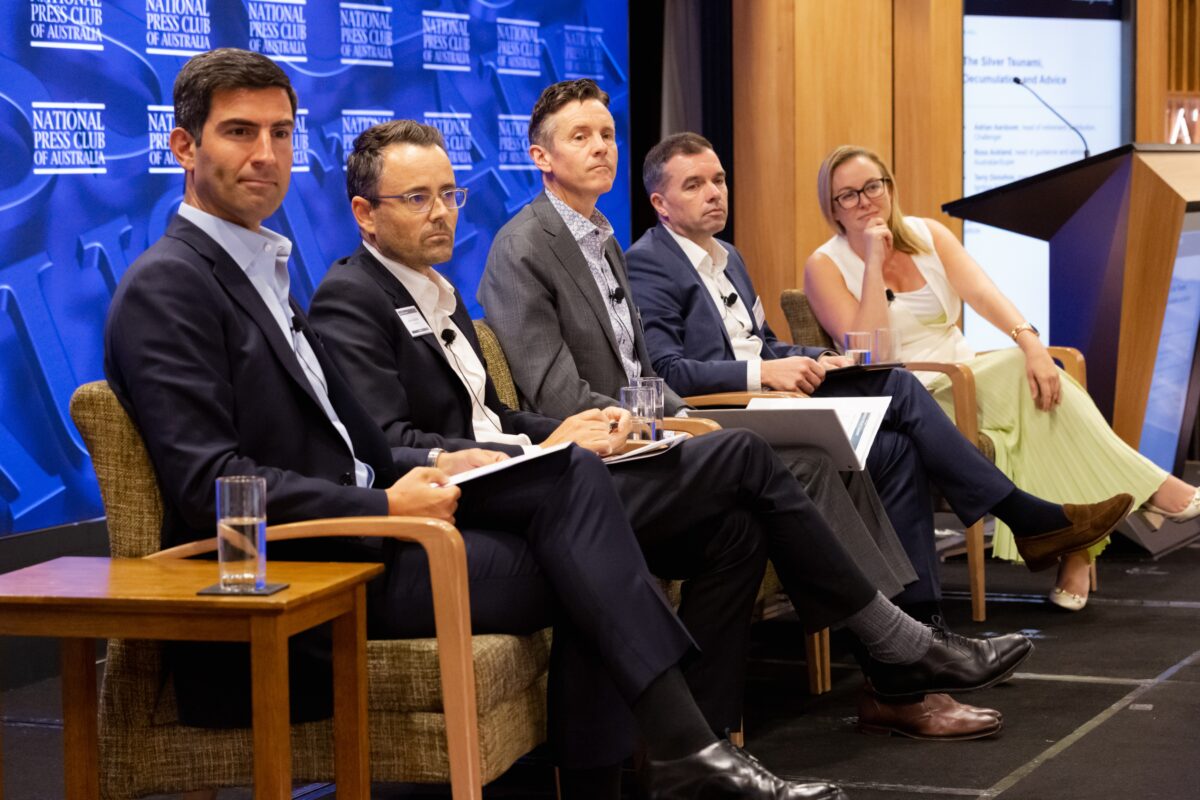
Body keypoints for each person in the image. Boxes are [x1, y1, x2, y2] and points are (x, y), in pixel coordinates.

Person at [102, 48, 846, 800]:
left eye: (282, 133)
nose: (267, 154)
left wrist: (442, 464)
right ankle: (681, 753)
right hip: (308, 570)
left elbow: (358, 440)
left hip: (376, 534)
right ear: (184, 146)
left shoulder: (264, 272)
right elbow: (212, 485)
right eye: (240, 132)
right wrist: (385, 501)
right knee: (590, 544)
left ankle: (673, 757)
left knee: (581, 499)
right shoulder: (171, 286)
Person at [312, 118, 1034, 747]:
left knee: (750, 521)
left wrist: (576, 428)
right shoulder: (377, 289)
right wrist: (562, 436)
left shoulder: (446, 287)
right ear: (364, 214)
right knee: (753, 456)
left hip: (576, 452)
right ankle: (902, 649)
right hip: (504, 493)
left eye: (449, 195)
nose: (442, 212)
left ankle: (709, 744)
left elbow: (498, 411)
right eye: (418, 198)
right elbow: (390, 445)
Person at [623, 131, 1130, 625]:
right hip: (727, 414)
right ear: (660, 204)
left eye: (718, 179)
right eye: (694, 185)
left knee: (897, 448)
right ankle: (1024, 516)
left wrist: (821, 357)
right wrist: (765, 372)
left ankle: (923, 621)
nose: (714, 193)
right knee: (900, 383)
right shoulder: (648, 264)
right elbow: (666, 372)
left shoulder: (727, 256)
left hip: (773, 394)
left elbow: (765, 342)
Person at [802, 144, 1195, 611]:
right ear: (832, 208)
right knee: (1020, 375)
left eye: (872, 187)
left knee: (1040, 387)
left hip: (969, 378)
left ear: (890, 187)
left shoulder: (928, 235)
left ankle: (1076, 547)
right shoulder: (824, 265)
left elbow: (984, 294)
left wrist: (1032, 343)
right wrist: (871, 261)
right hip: (913, 400)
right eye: (848, 195)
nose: (865, 201)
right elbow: (873, 356)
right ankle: (1152, 491)